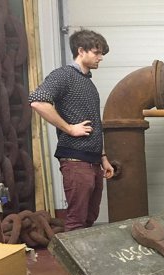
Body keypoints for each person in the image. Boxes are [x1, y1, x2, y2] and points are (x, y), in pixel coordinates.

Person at [29, 29, 114, 231]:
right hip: (76, 160)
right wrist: (69, 128)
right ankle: (73, 263)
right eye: (97, 52)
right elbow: (37, 102)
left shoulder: (89, 85)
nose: (101, 58)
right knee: (76, 221)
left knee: (90, 217)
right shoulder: (64, 75)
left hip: (93, 161)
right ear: (81, 50)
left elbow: (95, 124)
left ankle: (88, 262)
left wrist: (103, 158)